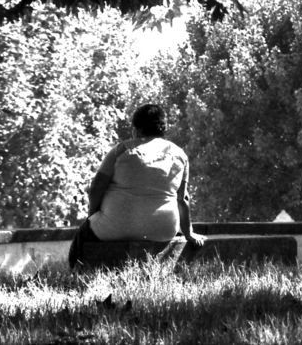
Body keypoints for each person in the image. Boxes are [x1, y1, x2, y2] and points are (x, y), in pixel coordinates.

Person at [69, 104, 206, 268]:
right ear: (163, 128)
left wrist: (93, 217)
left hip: (114, 226)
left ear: (136, 129)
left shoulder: (121, 150)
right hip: (163, 230)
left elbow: (96, 189)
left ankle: (74, 273)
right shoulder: (180, 155)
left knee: (82, 235)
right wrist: (189, 233)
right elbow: (182, 199)